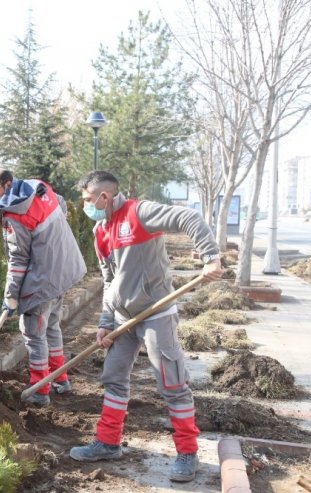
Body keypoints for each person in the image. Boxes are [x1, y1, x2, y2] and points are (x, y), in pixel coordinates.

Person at [69, 170, 223, 483]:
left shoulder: (139, 213)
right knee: (113, 377)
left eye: (88, 200)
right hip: (123, 318)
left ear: (104, 197)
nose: (86, 206)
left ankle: (187, 453)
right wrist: (104, 321)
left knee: (172, 383)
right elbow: (109, 281)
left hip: (156, 314)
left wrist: (211, 256)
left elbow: (189, 218)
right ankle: (108, 444)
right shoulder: (100, 230)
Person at [0, 168, 86, 407]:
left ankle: (40, 389)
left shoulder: (14, 215)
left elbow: (18, 260)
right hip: (63, 271)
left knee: (32, 331)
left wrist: (10, 297)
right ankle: (60, 379)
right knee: (51, 326)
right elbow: (61, 204)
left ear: (8, 185)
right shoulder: (38, 188)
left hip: (43, 279)